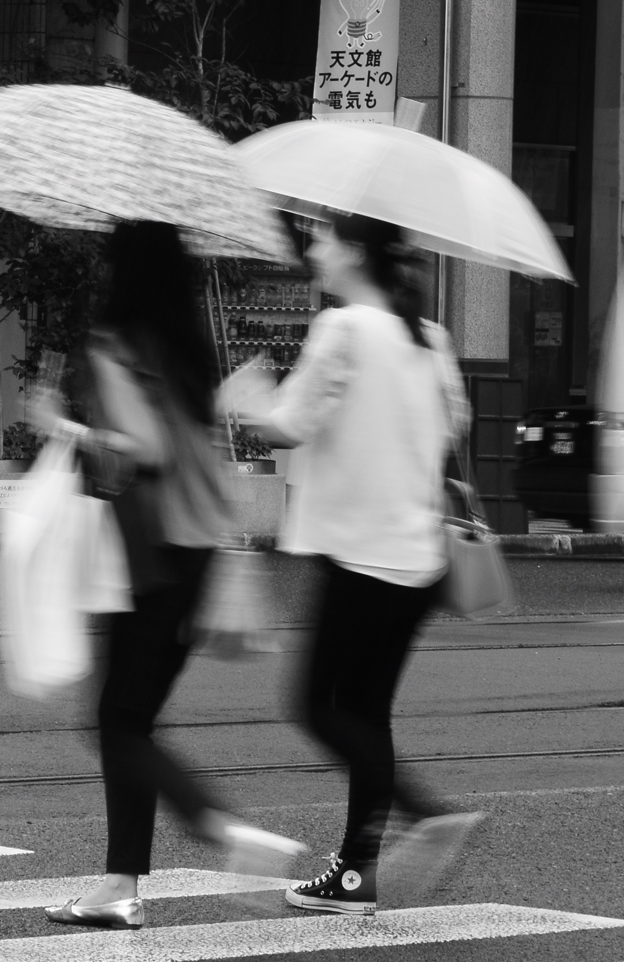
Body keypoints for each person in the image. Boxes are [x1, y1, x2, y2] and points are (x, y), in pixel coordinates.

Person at [30, 221, 304, 932]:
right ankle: (120, 886)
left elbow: (140, 448)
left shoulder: (115, 345)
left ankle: (222, 829)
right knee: (131, 720)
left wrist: (63, 425)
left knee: (116, 722)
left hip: (143, 555)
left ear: (118, 271)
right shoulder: (188, 349)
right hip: (196, 552)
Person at [221, 212, 482, 918]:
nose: (316, 248)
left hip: (361, 556)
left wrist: (247, 399)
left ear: (357, 251)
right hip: (420, 561)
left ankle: (423, 814)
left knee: (313, 704)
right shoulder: (427, 337)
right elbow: (454, 424)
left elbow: (290, 424)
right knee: (365, 711)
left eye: (328, 238)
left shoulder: (343, 328)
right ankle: (354, 874)